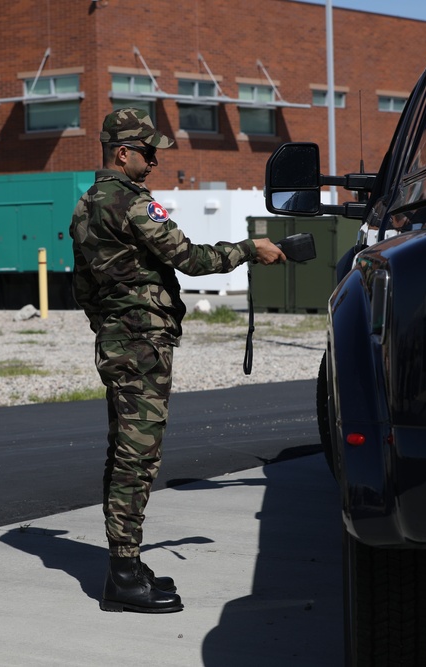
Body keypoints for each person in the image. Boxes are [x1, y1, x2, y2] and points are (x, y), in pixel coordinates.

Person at [70, 108, 286, 613]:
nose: (154, 164)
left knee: (123, 450)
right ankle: (122, 576)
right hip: (142, 343)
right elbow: (190, 258)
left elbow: (82, 287)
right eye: (148, 154)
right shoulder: (130, 203)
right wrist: (249, 249)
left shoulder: (85, 206)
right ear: (122, 153)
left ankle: (126, 560)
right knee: (137, 456)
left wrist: (109, 328)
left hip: (120, 340)